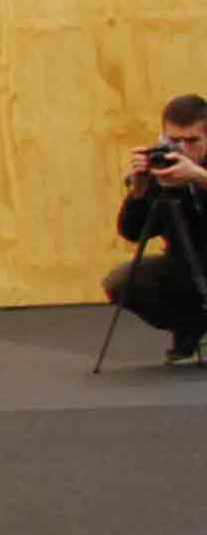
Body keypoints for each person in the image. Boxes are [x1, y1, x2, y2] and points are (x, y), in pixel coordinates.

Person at [105, 98, 207, 363]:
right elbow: (132, 233)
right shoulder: (161, 168)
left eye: (192, 141)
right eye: (174, 141)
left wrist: (199, 177)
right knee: (122, 281)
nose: (182, 150)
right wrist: (138, 192)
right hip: (186, 263)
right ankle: (192, 331)